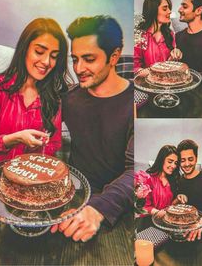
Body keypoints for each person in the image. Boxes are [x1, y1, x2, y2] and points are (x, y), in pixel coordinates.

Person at [51, 15, 134, 242]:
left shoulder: (137, 104)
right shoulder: (68, 98)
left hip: (115, 210)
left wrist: (97, 209)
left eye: (89, 59)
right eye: (75, 59)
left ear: (114, 56)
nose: (79, 68)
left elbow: (135, 171)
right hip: (72, 199)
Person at [0, 18, 69, 168]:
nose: (47, 61)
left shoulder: (53, 98)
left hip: (30, 182)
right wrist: (13, 139)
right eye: (39, 51)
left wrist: (39, 150)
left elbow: (53, 145)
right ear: (24, 49)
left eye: (54, 56)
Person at [177, 139, 202, 241]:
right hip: (182, 234)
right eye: (183, 160)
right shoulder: (178, 181)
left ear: (196, 159)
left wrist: (200, 223)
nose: (186, 164)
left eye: (190, 159)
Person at [134, 0, 182, 75]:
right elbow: (134, 67)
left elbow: (170, 65)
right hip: (147, 84)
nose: (169, 11)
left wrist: (175, 55)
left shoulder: (170, 34)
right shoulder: (139, 36)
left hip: (167, 83)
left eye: (169, 8)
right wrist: (152, 72)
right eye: (164, 9)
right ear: (153, 11)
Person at [143, 145, 180, 215]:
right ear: (161, 160)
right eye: (170, 161)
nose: (173, 166)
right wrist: (158, 213)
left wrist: (178, 199)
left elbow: (170, 205)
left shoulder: (173, 179)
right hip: (149, 219)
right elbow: (144, 207)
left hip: (167, 219)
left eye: (175, 163)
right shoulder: (148, 178)